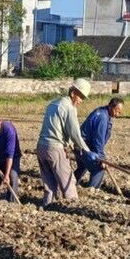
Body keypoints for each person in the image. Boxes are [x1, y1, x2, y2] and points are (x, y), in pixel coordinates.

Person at [35, 78, 91, 208]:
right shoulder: (68, 107)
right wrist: (87, 151)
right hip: (54, 148)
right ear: (73, 93)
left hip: (41, 147)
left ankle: (48, 205)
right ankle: (73, 208)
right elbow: (75, 133)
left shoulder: (53, 104)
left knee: (49, 183)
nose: (81, 100)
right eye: (80, 96)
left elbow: (59, 128)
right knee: (68, 180)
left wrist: (70, 143)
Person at [77, 96, 124, 189]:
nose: (118, 114)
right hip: (84, 145)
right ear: (110, 106)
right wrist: (101, 158)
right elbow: (98, 139)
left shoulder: (102, 112)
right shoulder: (102, 117)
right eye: (117, 110)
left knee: (82, 167)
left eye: (120, 112)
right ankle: (92, 191)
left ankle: (69, 184)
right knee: (98, 169)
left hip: (80, 144)